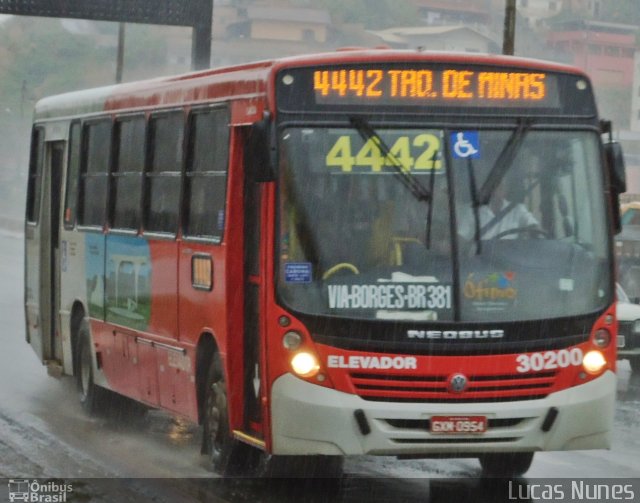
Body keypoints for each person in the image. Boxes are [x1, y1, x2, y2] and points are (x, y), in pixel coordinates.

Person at [457, 178, 540, 241]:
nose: (495, 191)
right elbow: (460, 238)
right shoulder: (471, 211)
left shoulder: (517, 209)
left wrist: (536, 233)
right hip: (480, 261)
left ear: (505, 190)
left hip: (512, 260)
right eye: (492, 187)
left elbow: (534, 227)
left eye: (500, 187)